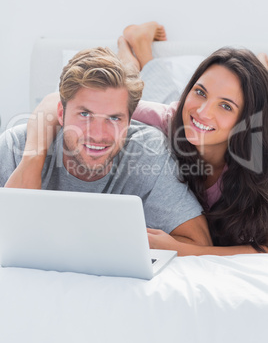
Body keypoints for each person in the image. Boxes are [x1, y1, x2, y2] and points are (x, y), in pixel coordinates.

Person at [5, 22, 268, 255]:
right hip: (171, 119)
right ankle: (135, 55)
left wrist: (184, 250)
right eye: (199, 92)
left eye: (226, 106)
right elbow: (58, 100)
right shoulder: (168, 119)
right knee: (135, 86)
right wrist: (32, 161)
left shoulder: (256, 161)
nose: (203, 111)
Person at [0, 46, 211, 248]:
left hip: (165, 119)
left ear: (129, 121)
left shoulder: (149, 150)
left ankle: (139, 51)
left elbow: (199, 243)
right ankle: (132, 56)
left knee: (165, 104)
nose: (98, 134)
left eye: (114, 118)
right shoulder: (15, 147)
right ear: (61, 114)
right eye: (85, 114)